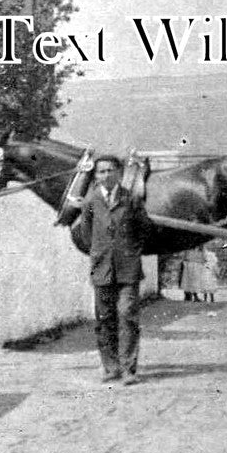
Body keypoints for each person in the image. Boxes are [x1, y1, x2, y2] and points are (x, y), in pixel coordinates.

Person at [70, 155, 152, 385]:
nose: (106, 175)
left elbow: (144, 229)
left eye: (110, 171)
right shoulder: (90, 202)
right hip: (102, 269)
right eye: (101, 172)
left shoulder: (131, 199)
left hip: (128, 269)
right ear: (95, 175)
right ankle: (110, 367)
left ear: (118, 173)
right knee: (105, 318)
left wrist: (131, 251)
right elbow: (85, 235)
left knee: (127, 315)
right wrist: (99, 253)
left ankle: (128, 370)